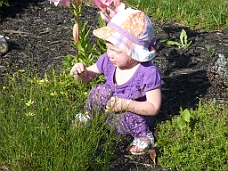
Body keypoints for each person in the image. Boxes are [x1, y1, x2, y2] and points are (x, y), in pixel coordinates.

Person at [70, 7, 162, 155]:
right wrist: (80, 72)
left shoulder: (147, 72)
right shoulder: (108, 60)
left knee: (131, 116)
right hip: (110, 108)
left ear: (133, 53)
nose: (110, 54)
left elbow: (153, 107)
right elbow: (86, 78)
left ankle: (144, 136)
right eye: (108, 48)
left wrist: (127, 104)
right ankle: (89, 115)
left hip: (133, 113)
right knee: (100, 91)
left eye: (117, 51)